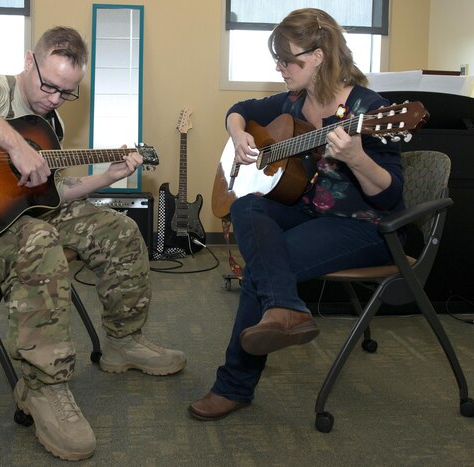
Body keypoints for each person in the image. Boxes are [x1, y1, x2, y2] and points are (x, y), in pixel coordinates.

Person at [0, 26, 186, 461]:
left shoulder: (51, 123)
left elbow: (51, 195)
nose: (54, 98)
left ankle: (123, 340)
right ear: (30, 61)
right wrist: (15, 145)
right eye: (48, 85)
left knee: (119, 229)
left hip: (25, 215)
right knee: (40, 239)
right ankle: (43, 388)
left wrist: (106, 178)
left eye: (68, 92)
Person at [189, 8, 404, 421]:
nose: (280, 68)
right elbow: (239, 108)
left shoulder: (370, 109)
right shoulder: (293, 101)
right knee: (246, 204)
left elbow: (391, 196)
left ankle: (234, 384)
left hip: (362, 228)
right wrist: (238, 133)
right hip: (307, 214)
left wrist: (357, 158)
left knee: (261, 268)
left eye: (289, 61)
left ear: (319, 56)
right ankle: (286, 307)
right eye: (279, 60)